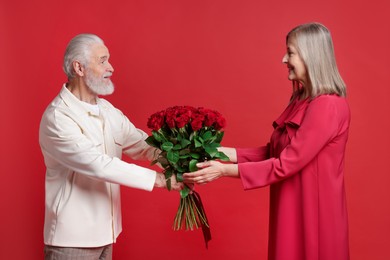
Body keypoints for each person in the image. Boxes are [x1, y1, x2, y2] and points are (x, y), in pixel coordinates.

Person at [183, 22, 350, 260]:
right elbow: (276, 152)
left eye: (290, 52)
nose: (284, 59)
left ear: (310, 56)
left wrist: (223, 171)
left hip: (314, 216)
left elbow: (286, 164)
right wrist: (220, 153)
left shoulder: (328, 105)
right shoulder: (302, 99)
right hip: (292, 208)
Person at [39, 33, 182, 260]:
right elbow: (99, 165)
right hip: (73, 243)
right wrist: (162, 181)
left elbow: (141, 144)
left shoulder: (107, 110)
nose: (111, 67)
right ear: (79, 68)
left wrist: (181, 157)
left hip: (108, 234)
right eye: (102, 60)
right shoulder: (58, 117)